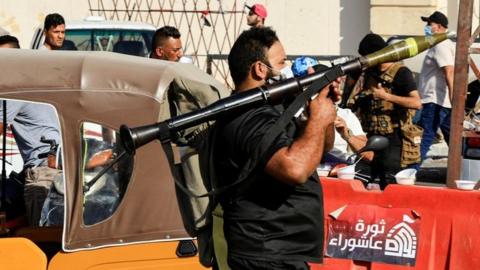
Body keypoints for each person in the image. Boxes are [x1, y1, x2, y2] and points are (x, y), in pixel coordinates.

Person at [213, 27, 339, 269]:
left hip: (281, 250)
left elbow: (316, 152)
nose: (287, 71)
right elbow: (295, 169)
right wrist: (317, 119)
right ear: (260, 69)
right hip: (264, 252)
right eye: (281, 63)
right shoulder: (248, 118)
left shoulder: (271, 110)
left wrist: (323, 108)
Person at [347, 33, 421, 190]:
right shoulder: (369, 73)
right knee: (359, 178)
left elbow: (416, 103)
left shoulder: (401, 72)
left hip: (393, 138)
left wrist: (386, 96)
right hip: (370, 137)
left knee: (389, 182)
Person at [0, 100, 62, 226]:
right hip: (60, 166)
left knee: (42, 235)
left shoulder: (14, 94)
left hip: (44, 171)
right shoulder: (42, 91)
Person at [417, 11, 455, 161]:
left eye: (429, 24)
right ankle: (463, 170)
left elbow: (449, 72)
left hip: (434, 101)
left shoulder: (441, 45)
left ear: (439, 27)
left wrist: (454, 98)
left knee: (424, 138)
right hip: (439, 101)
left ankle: (409, 172)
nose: (426, 27)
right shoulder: (438, 44)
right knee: (454, 141)